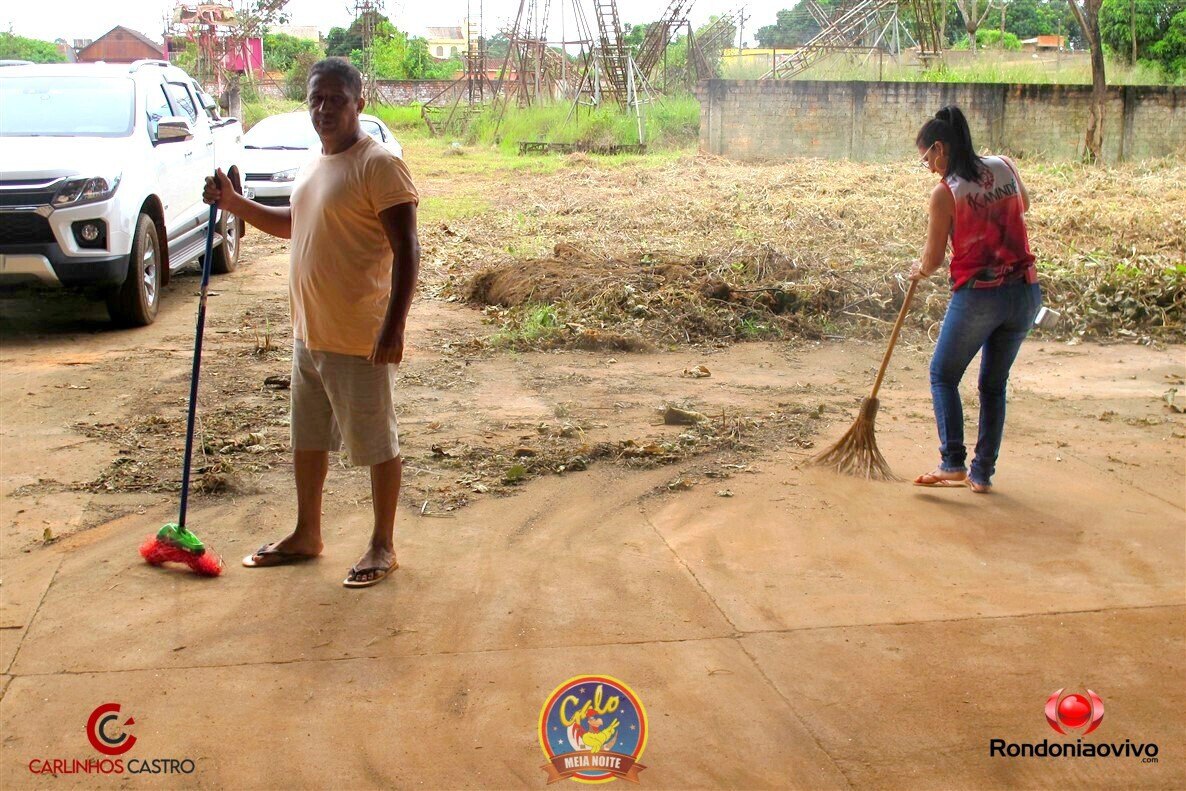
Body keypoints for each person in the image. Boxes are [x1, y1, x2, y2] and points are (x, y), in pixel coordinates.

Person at [202, 58, 420, 586]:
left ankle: (382, 545)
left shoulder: (379, 165)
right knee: (308, 439)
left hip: (359, 336)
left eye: (336, 99)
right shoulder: (315, 162)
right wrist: (234, 203)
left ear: (359, 102)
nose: (324, 110)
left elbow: (407, 249)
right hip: (310, 332)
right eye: (316, 99)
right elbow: (294, 225)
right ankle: (307, 533)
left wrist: (393, 328)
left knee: (375, 442)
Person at [909, 105, 1041, 494]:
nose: (929, 167)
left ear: (939, 148)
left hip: (980, 296)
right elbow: (1025, 205)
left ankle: (952, 462)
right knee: (992, 384)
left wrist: (920, 270)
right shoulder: (1004, 165)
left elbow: (933, 260)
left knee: (943, 375)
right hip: (1026, 293)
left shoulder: (946, 192)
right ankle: (981, 474)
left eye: (926, 159)